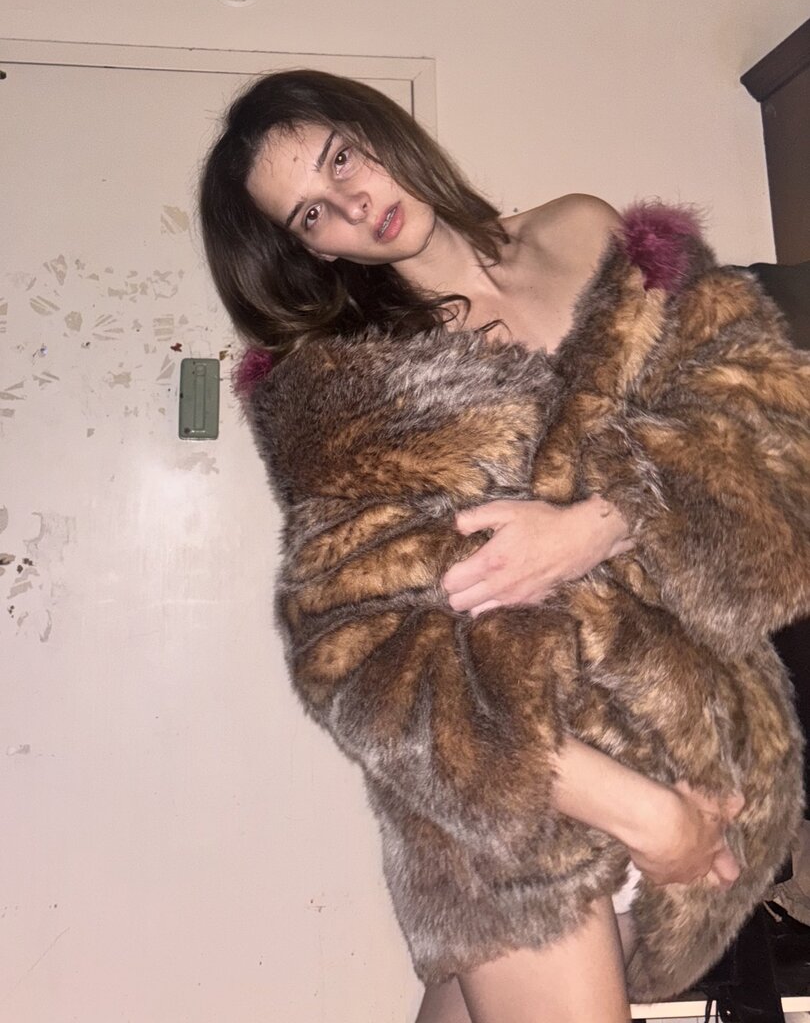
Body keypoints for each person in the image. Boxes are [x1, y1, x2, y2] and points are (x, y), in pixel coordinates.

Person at [199, 69, 749, 1023]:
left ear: (379, 129)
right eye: (312, 214)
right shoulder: (347, 390)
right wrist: (641, 811)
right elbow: (359, 656)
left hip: (664, 718)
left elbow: (738, 424)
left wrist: (595, 523)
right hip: (521, 802)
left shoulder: (584, 232)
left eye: (342, 158)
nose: (353, 204)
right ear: (311, 251)